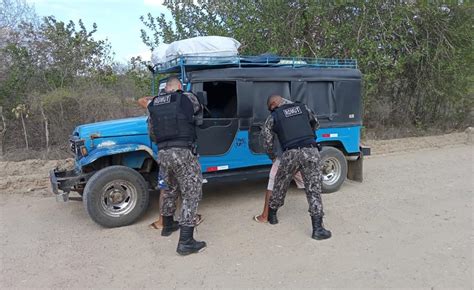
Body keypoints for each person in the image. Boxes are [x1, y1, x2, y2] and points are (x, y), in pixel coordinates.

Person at [141, 77, 206, 255]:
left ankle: (167, 225)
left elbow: (152, 133)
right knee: (191, 193)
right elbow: (199, 112)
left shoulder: (153, 104)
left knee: (169, 189)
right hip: (183, 151)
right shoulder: (186, 97)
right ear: (178, 87)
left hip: (163, 153)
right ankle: (186, 242)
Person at [261, 94, 331, 240]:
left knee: (280, 184)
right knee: (313, 189)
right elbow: (316, 123)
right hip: (310, 151)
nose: (270, 111)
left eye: (270, 108)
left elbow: (266, 139)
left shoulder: (274, 116)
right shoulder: (303, 107)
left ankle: (272, 216)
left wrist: (272, 156)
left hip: (290, 153)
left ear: (274, 104)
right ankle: (317, 229)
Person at [253, 125, 305, 223]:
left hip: (284, 156)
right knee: (310, 184)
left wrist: (272, 156)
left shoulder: (277, 115)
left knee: (272, 185)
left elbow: (267, 137)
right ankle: (318, 216)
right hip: (303, 154)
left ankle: (266, 216)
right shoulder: (302, 110)